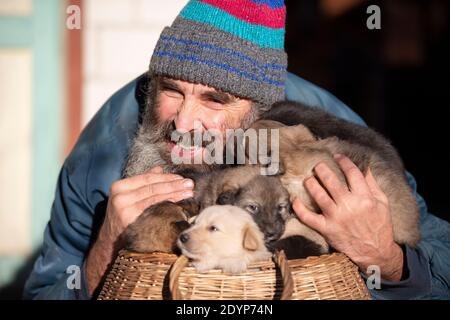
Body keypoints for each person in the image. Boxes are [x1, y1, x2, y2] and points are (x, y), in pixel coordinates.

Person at [24, 0, 449, 300]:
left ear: (259, 110)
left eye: (215, 100)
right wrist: (106, 248)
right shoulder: (102, 150)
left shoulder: (329, 132)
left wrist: (389, 260)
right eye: (172, 89)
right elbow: (46, 293)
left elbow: (442, 265)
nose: (185, 122)